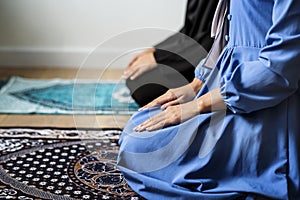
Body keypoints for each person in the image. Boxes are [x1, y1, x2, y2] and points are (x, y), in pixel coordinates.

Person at [118, 0, 300, 199]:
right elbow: (226, 35)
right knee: (138, 129)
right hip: (226, 84)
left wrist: (199, 105)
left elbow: (278, 71)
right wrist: (197, 84)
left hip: (265, 102)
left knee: (141, 148)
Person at [123, 0, 219, 106]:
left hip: (207, 62)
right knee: (136, 80)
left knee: (143, 88)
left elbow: (209, 41)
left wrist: (158, 58)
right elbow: (189, 30)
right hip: (190, 55)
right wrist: (155, 50)